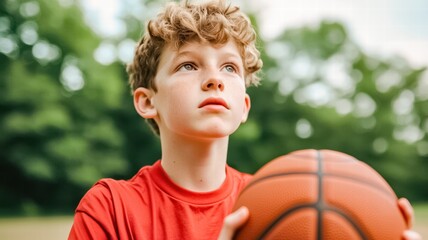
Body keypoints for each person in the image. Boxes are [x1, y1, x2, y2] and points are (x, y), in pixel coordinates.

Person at [68, 0, 421, 239]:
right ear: (147, 101)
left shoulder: (276, 200)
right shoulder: (110, 207)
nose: (214, 78)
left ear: (244, 106)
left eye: (229, 67)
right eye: (188, 65)